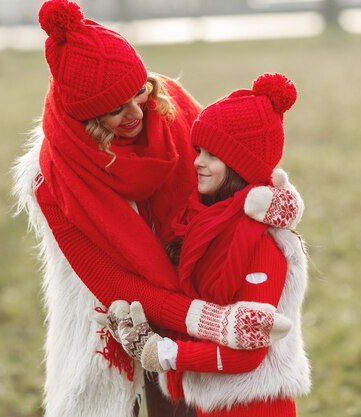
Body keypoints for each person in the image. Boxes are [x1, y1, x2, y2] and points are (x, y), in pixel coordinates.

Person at [11, 1, 304, 417]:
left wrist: (275, 201)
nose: (137, 113)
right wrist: (206, 321)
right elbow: (108, 278)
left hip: (198, 282)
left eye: (140, 92)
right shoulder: (55, 178)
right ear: (86, 118)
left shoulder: (172, 108)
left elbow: (235, 169)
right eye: (116, 109)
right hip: (115, 315)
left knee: (182, 406)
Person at [110, 73, 311, 417]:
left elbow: (249, 352)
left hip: (255, 406)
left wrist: (169, 354)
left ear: (240, 165)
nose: (198, 162)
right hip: (215, 405)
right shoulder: (206, 227)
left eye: (212, 156)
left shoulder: (263, 244)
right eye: (198, 150)